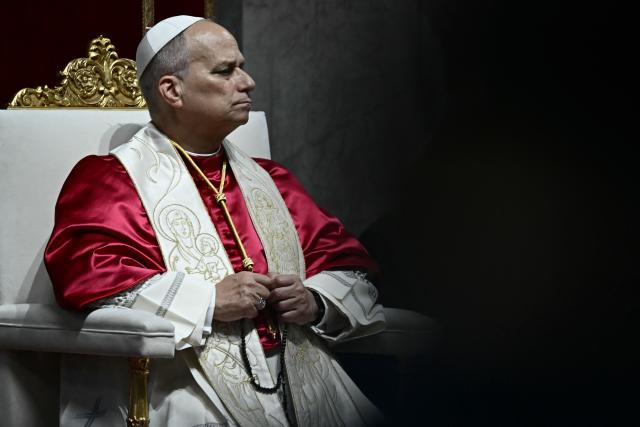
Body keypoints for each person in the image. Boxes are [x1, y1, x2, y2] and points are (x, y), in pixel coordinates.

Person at [44, 15, 386, 427]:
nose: (248, 82)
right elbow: (87, 275)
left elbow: (348, 266)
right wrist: (207, 301)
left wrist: (313, 301)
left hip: (299, 378)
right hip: (182, 381)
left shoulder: (271, 180)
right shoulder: (112, 179)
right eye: (226, 71)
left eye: (241, 66)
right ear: (172, 90)